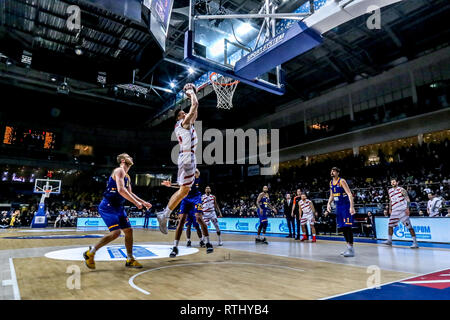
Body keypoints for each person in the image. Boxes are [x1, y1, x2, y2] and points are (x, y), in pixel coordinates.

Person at [83, 153, 152, 269]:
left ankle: (130, 259)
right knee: (116, 233)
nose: (132, 158)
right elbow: (121, 190)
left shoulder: (127, 177)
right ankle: (91, 253)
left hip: (118, 207)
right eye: (129, 157)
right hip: (108, 206)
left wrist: (143, 202)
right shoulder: (119, 170)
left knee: (129, 230)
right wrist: (136, 203)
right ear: (123, 160)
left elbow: (129, 193)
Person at [156, 83, 200, 234]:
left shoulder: (185, 124)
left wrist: (193, 92)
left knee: (184, 190)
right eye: (183, 112)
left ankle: (164, 214)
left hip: (185, 156)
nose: (186, 113)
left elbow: (195, 112)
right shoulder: (182, 123)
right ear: (179, 117)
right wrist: (190, 92)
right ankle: (164, 215)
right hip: (188, 156)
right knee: (184, 191)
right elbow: (195, 105)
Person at [161, 169, 213, 257]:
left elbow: (196, 173)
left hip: (196, 198)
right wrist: (171, 185)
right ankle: (175, 247)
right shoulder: (184, 176)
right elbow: (181, 186)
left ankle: (208, 243)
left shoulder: (195, 172)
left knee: (199, 218)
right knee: (181, 221)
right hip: (185, 199)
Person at [327, 167, 356, 257]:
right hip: (338, 207)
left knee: (347, 227)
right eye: (331, 171)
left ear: (338, 173)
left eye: (334, 171)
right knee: (343, 228)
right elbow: (332, 195)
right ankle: (348, 248)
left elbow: (349, 194)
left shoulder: (341, 181)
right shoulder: (331, 182)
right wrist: (328, 204)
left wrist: (351, 207)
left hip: (345, 206)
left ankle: (351, 249)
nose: (332, 172)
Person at [383, 178, 419, 248]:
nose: (392, 183)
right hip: (394, 211)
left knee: (409, 227)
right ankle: (389, 240)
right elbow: (390, 200)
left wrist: (407, 208)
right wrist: (390, 209)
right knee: (390, 225)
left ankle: (415, 243)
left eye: (394, 182)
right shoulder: (389, 191)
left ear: (397, 182)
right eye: (391, 182)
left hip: (402, 210)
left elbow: (408, 199)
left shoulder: (402, 189)